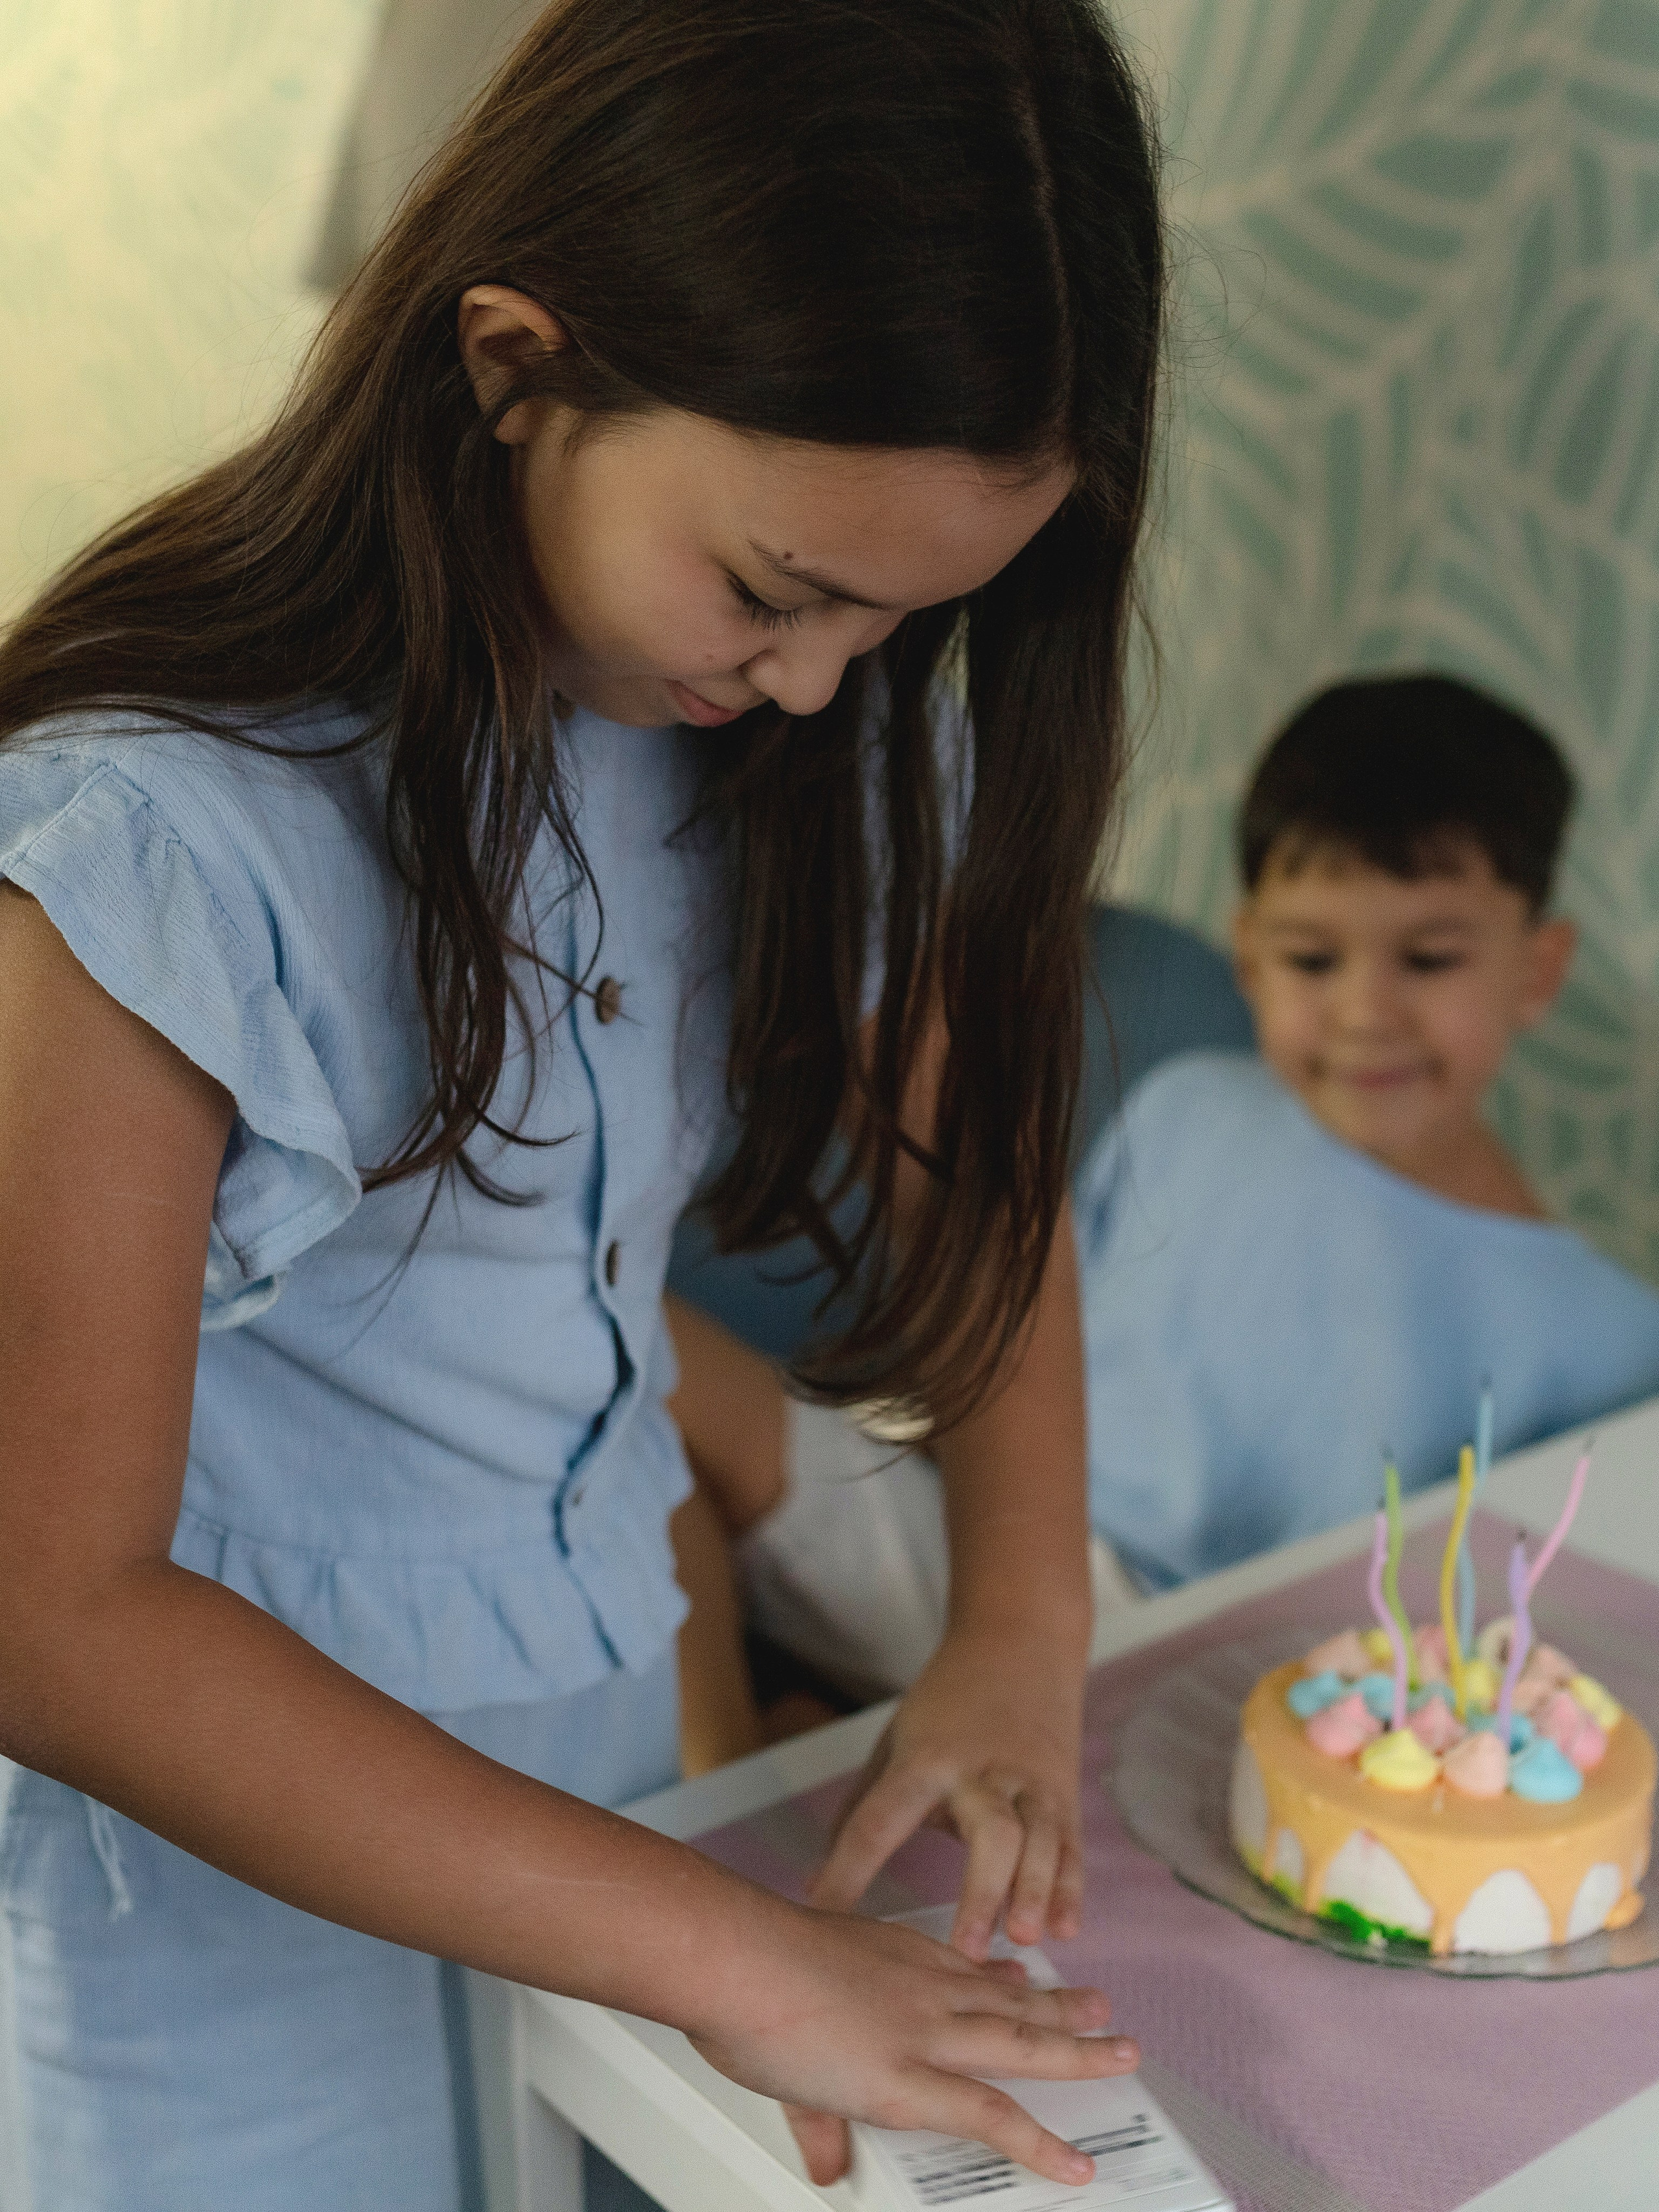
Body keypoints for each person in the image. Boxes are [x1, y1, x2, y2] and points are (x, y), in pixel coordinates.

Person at [0, 4, 1165, 2206]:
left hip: (620, 1773)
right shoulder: (152, 842)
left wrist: (1020, 1619)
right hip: (217, 1894)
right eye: (779, 588)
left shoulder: (804, 734)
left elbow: (971, 1157)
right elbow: (52, 1612)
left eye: (901, 627)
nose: (823, 680)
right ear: (519, 363)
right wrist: (737, 1954)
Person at [1078, 673, 1659, 1589]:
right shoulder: (1184, 1109)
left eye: (1428, 959)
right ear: (1250, 957)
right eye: (1312, 959)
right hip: (1002, 1566)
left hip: (1255, 1672)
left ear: (1537, 972)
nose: (1364, 1012)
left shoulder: (1609, 1342)